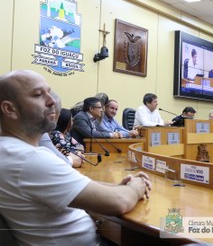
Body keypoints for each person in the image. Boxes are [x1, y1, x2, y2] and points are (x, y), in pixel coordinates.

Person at [0, 70, 151, 245]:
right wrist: (136, 186)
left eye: (49, 92)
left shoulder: (12, 150)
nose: (52, 101)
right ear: (9, 109)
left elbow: (71, 184)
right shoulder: (28, 158)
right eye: (38, 95)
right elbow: (119, 202)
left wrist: (115, 186)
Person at [40, 92, 82, 168]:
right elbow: (50, 159)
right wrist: (71, 159)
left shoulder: (67, 134)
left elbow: (79, 147)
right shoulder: (42, 134)